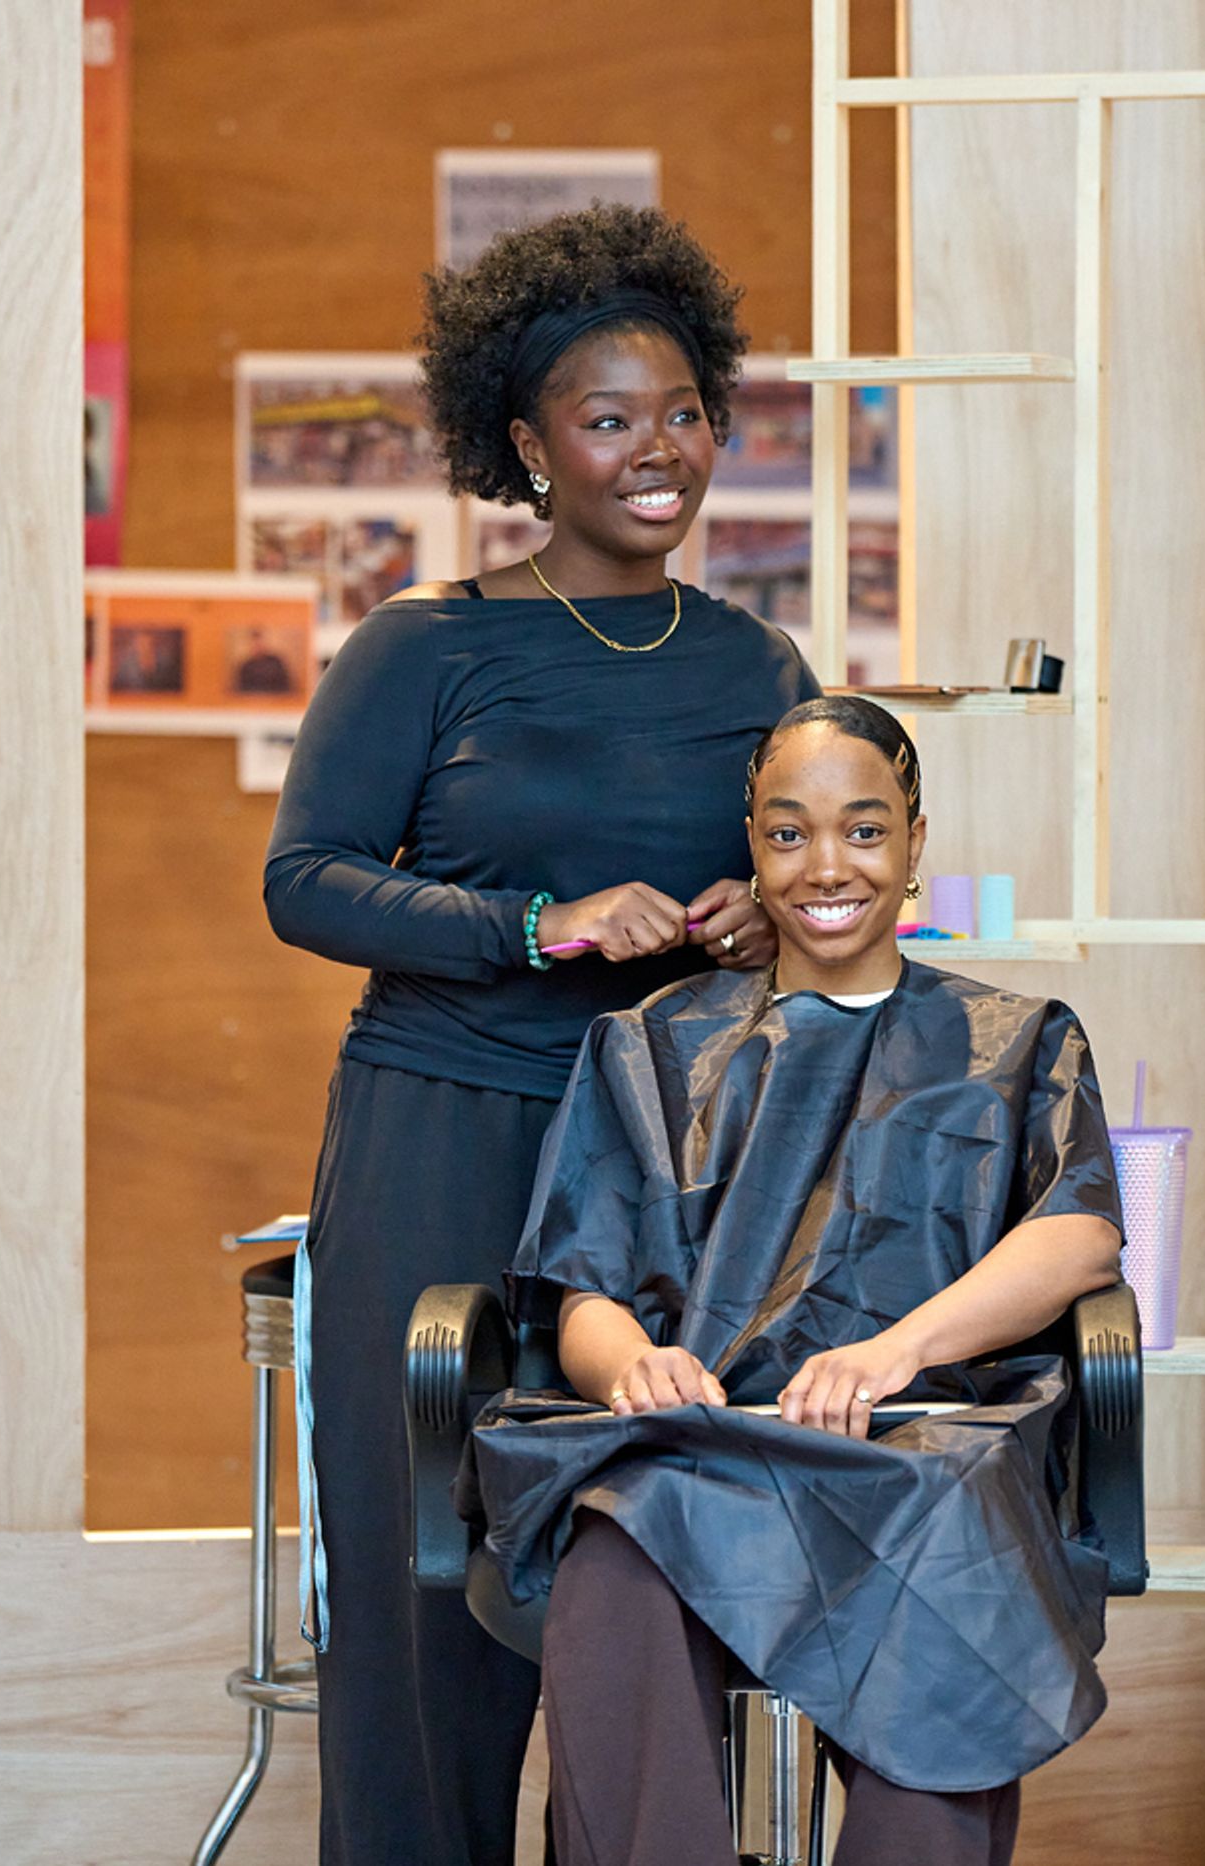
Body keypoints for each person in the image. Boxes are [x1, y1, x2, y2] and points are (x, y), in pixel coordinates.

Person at [262, 203, 820, 1866]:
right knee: (423, 1590)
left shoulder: (761, 662)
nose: (658, 452)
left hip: (670, 1166)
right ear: (525, 443)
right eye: (608, 418)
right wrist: (531, 925)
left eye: (684, 413)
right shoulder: (424, 647)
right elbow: (305, 880)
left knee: (635, 1580)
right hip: (445, 1140)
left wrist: (762, 915)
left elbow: (825, 880)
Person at [470, 696, 1125, 1866]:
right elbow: (580, 1291)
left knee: (946, 1594)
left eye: (863, 830)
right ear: (752, 848)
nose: (826, 865)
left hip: (921, 1449)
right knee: (615, 1559)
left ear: (914, 841)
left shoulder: (1019, 1039)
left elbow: (1075, 1236)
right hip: (690, 1449)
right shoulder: (647, 1044)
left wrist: (892, 1352)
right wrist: (635, 1367)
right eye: (788, 833)